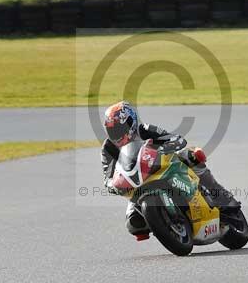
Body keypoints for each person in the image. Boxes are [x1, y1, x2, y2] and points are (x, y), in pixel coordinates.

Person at [101, 101, 240, 238]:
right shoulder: (108, 147)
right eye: (112, 131)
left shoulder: (145, 129)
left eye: (119, 129)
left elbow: (177, 140)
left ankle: (222, 197)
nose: (116, 134)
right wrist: (112, 185)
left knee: (192, 156)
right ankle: (164, 222)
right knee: (133, 223)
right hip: (137, 182)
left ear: (131, 122)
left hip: (162, 164)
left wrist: (164, 148)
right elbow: (107, 176)